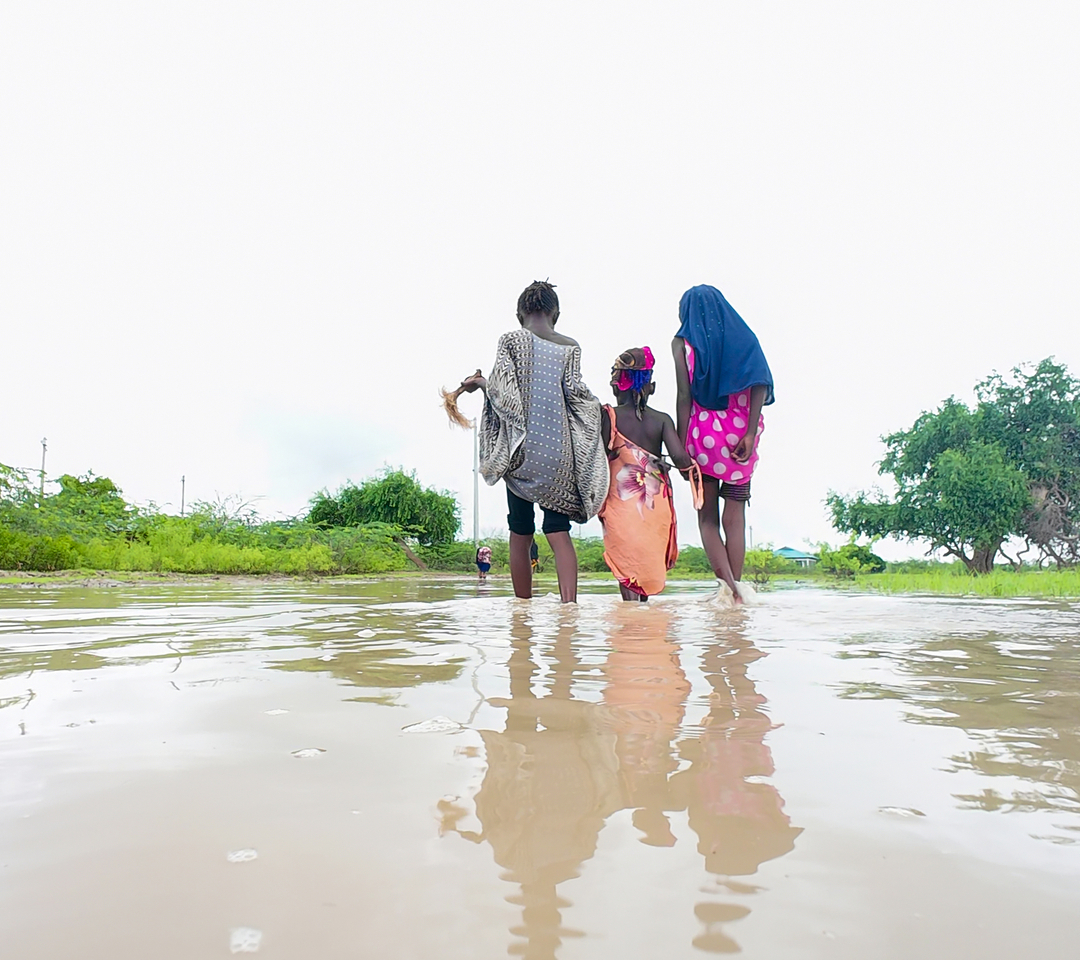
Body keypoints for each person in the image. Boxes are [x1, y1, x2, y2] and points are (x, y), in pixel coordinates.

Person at [456, 280, 608, 603]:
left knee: (521, 531)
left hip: (520, 452)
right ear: (557, 315)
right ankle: (570, 607)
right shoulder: (570, 347)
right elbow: (579, 399)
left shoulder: (510, 341)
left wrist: (481, 383)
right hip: (560, 457)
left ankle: (522, 609)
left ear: (518, 314)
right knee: (557, 530)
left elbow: (504, 397)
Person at [672, 285, 774, 601]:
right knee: (736, 517)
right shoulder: (745, 338)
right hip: (739, 440)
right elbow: (760, 382)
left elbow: (684, 397)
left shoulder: (682, 345)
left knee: (707, 519)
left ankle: (727, 588)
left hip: (703, 439)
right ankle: (737, 591)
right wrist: (749, 433)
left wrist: (680, 445)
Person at [599, 347, 703, 601]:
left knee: (627, 564)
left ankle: (632, 622)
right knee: (646, 560)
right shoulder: (662, 420)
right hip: (655, 505)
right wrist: (696, 471)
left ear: (615, 386)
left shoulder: (609, 416)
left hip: (621, 504)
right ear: (652, 387)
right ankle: (644, 625)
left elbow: (598, 458)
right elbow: (680, 459)